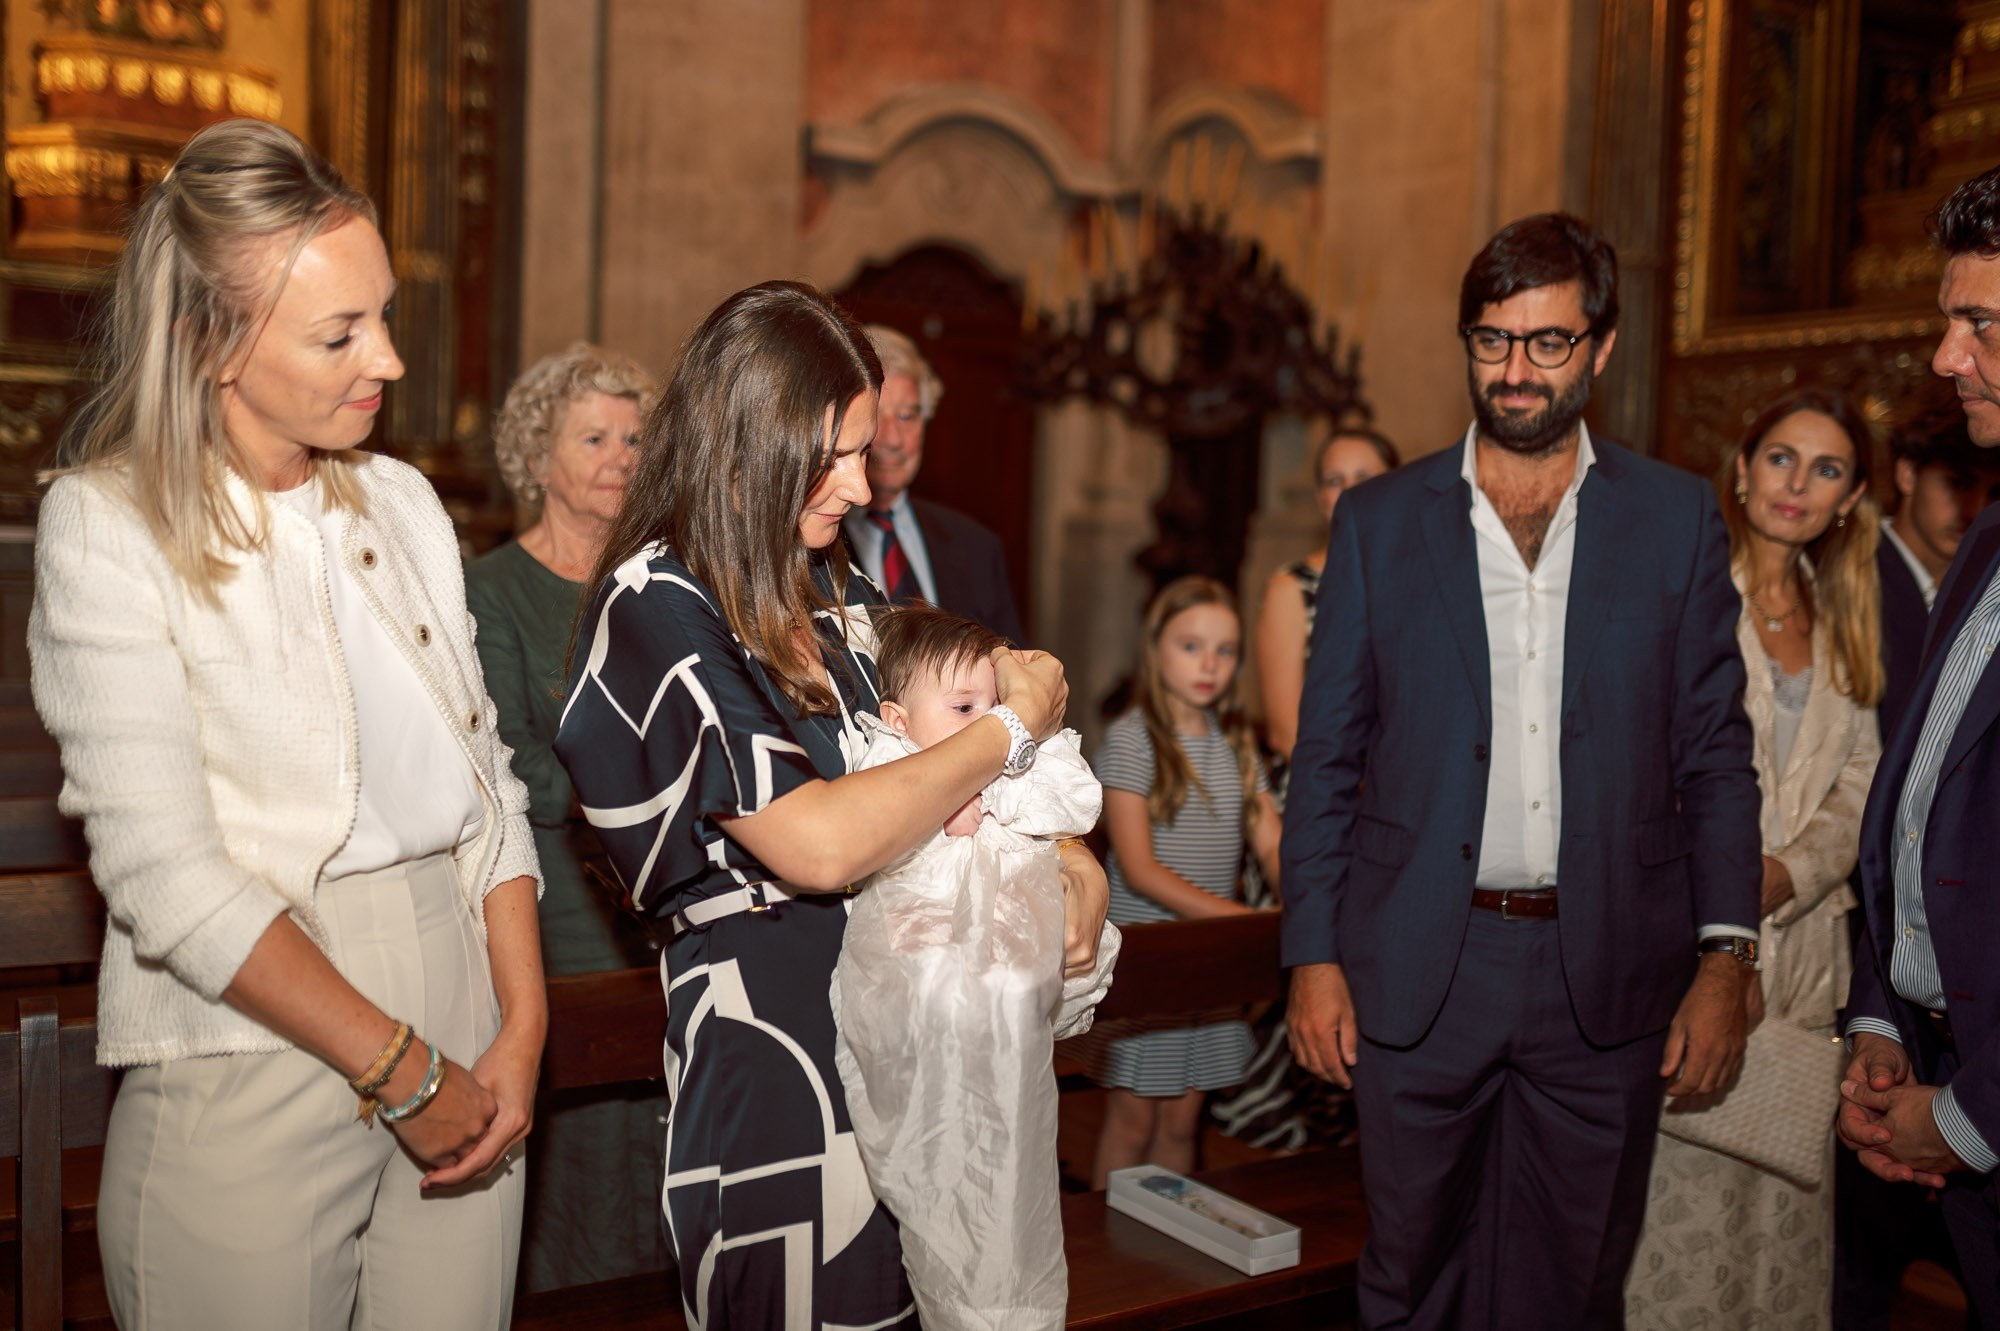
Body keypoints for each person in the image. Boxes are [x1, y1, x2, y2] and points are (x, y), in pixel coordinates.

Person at [27, 120, 544, 1329]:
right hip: (250, 1024)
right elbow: (164, 872)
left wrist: (522, 1026)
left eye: (384, 315)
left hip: (464, 986)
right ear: (210, 341)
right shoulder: (109, 527)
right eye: (339, 332)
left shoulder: (404, 504)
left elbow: (489, 786)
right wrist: (397, 1067)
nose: (390, 359)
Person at [550, 280, 1107, 1328]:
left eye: (865, 450)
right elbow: (817, 841)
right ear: (749, 442)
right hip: (777, 1064)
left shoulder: (832, 588)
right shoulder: (656, 605)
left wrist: (1073, 860)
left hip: (906, 1054)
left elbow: (952, 740)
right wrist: (1009, 732)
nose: (862, 481)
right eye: (835, 455)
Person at [1282, 211, 1761, 1330]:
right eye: (1493, 338)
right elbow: (1326, 757)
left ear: (1600, 346)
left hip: (1607, 971)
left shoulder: (1674, 516)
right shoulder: (1379, 522)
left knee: (1574, 1285)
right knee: (1408, 1277)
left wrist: (1725, 955)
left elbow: (1715, 755)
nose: (1515, 369)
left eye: (1548, 341)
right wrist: (1311, 952)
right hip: (1419, 962)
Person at [1626, 387, 1883, 1329]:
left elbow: (1865, 782)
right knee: (1670, 1239)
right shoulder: (1682, 589)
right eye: (1781, 457)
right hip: (1686, 948)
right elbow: (1646, 768)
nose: (1797, 483)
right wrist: (1732, 884)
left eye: (1827, 468)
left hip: (1808, 955)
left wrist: (1790, 871)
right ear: (1741, 469)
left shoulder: (1847, 612)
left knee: (1777, 1243)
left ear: (1851, 497)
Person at [832, 603, 1117, 1331]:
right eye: (964, 709)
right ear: (897, 718)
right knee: (940, 1163)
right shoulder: (884, 758)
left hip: (1010, 998)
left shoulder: (1014, 755)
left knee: (1012, 1163)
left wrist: (1009, 772)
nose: (990, 723)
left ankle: (1005, 1301)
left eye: (995, 705)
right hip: (922, 996)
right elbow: (897, 831)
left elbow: (1073, 804)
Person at [467, 342, 667, 1292]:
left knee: (668, 1137)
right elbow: (509, 759)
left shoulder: (663, 583)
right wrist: (645, 785)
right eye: (594, 437)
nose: (621, 456)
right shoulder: (491, 587)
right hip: (559, 907)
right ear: (536, 455)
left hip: (668, 897)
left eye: (634, 438)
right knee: (580, 1157)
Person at [1840, 162, 2000, 1326]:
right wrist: (1884, 1015)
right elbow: (1923, 801)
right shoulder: (1986, 537)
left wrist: (1967, 1117)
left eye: (1977, 322)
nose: (1944, 358)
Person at [1211, 424, 1398, 1152]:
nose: (1345, 493)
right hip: (1318, 812)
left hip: (1400, 813)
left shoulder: (1421, 579)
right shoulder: (1295, 587)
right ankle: (1285, 1158)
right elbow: (1290, 731)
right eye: (1332, 479)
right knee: (1315, 991)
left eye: (1364, 478)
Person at [1070, 574, 1282, 1189]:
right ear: (1155, 646)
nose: (1209, 664)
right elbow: (1141, 871)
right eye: (1191, 646)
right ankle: (1113, 1239)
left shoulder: (1238, 744)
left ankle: (1169, 1238)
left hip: (1213, 962)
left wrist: (1305, 905)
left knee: (1184, 1122)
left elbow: (1273, 842)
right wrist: (1245, 924)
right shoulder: (1133, 741)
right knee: (1134, 1118)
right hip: (1155, 959)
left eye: (1225, 650)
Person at [839, 323, 1025, 641]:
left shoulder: (978, 549)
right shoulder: (811, 546)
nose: (893, 439)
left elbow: (1014, 661)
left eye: (906, 416)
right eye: (877, 415)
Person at [1876, 399, 2000, 740]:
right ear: (1907, 474)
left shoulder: (1984, 590)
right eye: (1958, 484)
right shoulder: (1850, 572)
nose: (1975, 509)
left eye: (1994, 493)